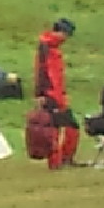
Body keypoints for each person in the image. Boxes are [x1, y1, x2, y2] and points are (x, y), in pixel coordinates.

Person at [35, 18, 79, 169]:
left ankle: (63, 159)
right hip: (51, 94)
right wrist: (40, 94)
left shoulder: (51, 47)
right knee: (55, 129)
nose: (66, 39)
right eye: (66, 35)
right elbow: (41, 71)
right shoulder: (46, 47)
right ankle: (57, 161)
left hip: (57, 94)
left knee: (67, 126)